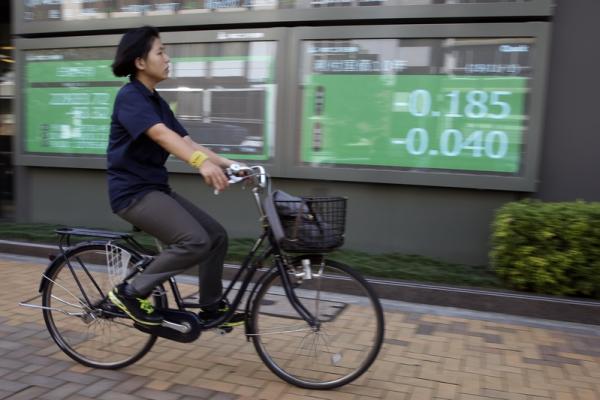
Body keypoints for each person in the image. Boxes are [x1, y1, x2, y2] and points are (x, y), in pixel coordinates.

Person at [106, 26, 243, 327]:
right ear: (140, 62)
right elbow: (161, 135)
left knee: (216, 236)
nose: (168, 58)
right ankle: (130, 292)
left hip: (155, 190)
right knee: (194, 240)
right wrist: (200, 164)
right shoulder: (130, 96)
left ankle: (211, 307)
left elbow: (188, 141)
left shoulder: (156, 101)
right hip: (132, 194)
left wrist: (230, 164)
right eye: (161, 51)